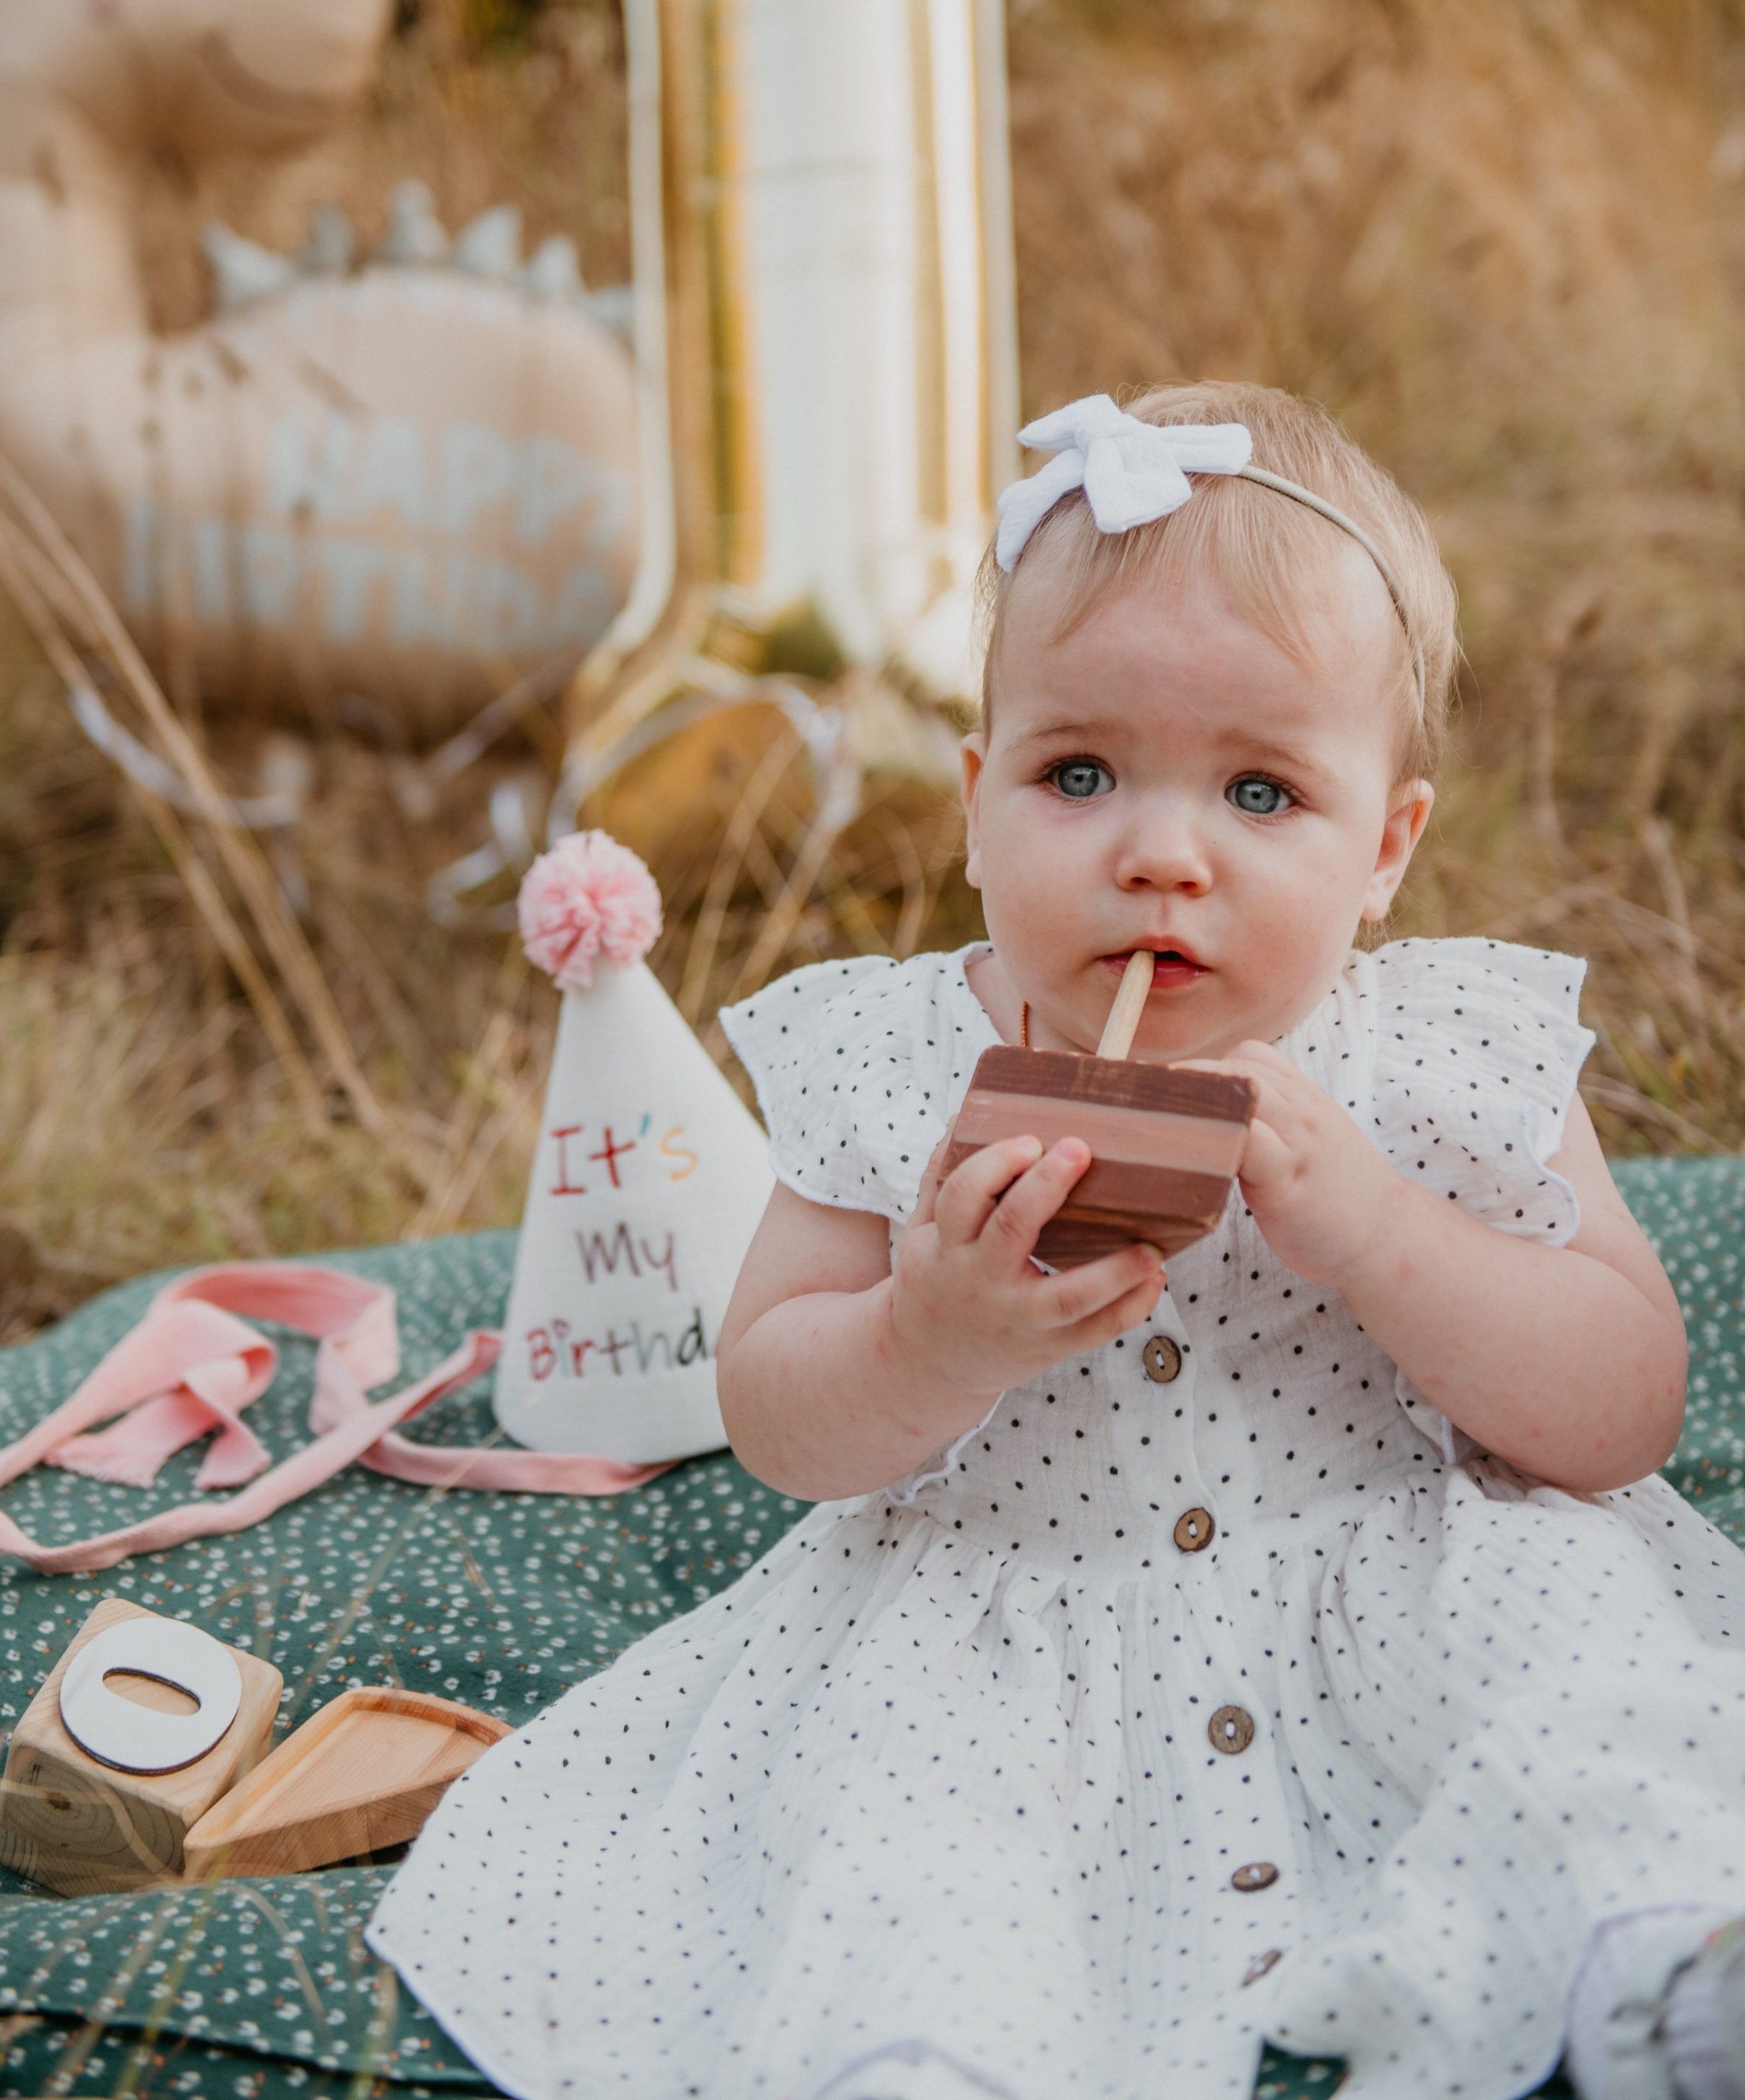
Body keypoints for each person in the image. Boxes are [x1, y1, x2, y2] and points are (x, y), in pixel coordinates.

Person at [369, 383, 1745, 2100]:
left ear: (1384, 845)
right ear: (971, 799)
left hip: (1403, 1580)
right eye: (1077, 772)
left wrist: (1390, 1239)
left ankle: (1657, 1970)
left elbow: (1622, 1409)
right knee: (914, 1847)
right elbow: (777, 1418)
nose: (1160, 854)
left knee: (1584, 1696)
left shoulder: (1438, 1056)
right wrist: (919, 1339)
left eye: (1258, 791)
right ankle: (924, 2063)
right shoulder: (894, 1063)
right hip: (1004, 1641)